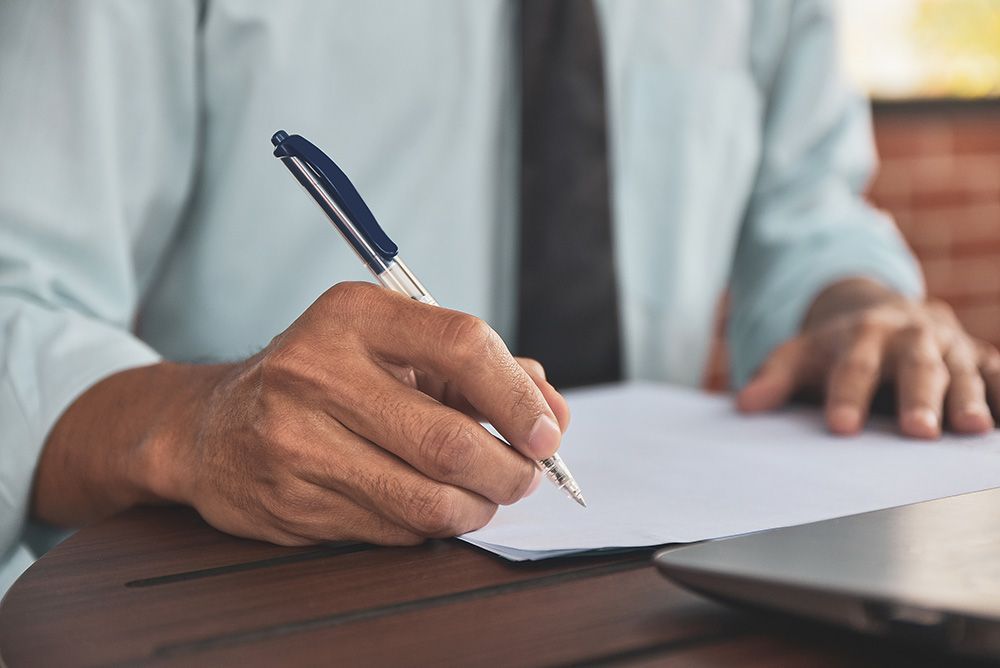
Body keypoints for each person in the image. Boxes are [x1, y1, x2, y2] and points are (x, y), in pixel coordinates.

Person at [1, 0, 997, 596]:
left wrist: (849, 304)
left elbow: (806, 205)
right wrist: (194, 424)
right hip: (276, 599)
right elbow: (17, 291)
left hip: (663, 597)